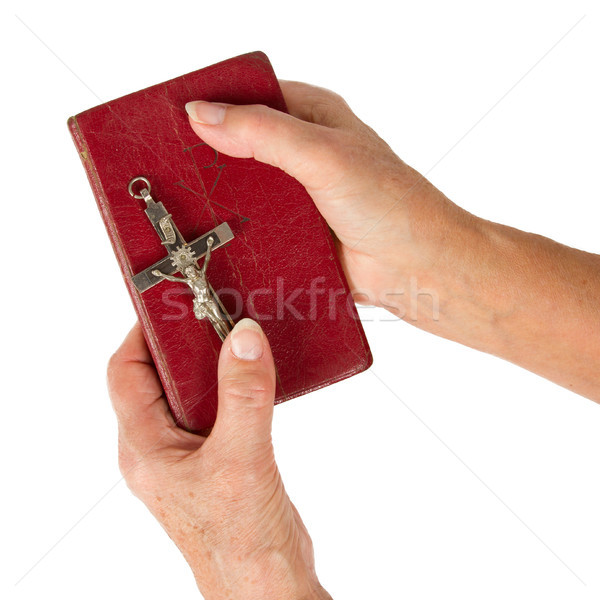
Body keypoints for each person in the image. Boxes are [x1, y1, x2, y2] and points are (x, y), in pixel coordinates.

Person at [107, 81, 600, 599]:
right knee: (203, 296)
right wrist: (440, 269)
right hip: (197, 283)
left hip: (200, 272)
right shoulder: (175, 261)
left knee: (204, 289)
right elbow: (173, 266)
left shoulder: (194, 251)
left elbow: (202, 249)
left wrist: (253, 574)